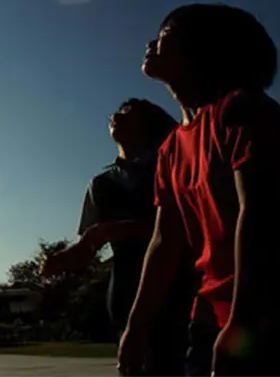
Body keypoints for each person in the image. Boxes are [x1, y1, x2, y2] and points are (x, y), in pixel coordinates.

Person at [118, 4, 280, 377]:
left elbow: (260, 214)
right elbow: (164, 243)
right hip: (211, 314)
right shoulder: (170, 149)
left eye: (166, 36)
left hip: (266, 315)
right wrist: (137, 325)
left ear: (207, 50)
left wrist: (242, 324)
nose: (151, 42)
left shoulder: (243, 111)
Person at [41, 98, 194, 374]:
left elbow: (182, 230)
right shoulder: (100, 184)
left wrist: (115, 230)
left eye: (129, 112)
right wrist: (62, 259)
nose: (117, 115)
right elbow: (89, 246)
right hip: (124, 299)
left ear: (148, 125)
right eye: (117, 111)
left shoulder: (171, 166)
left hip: (173, 298)